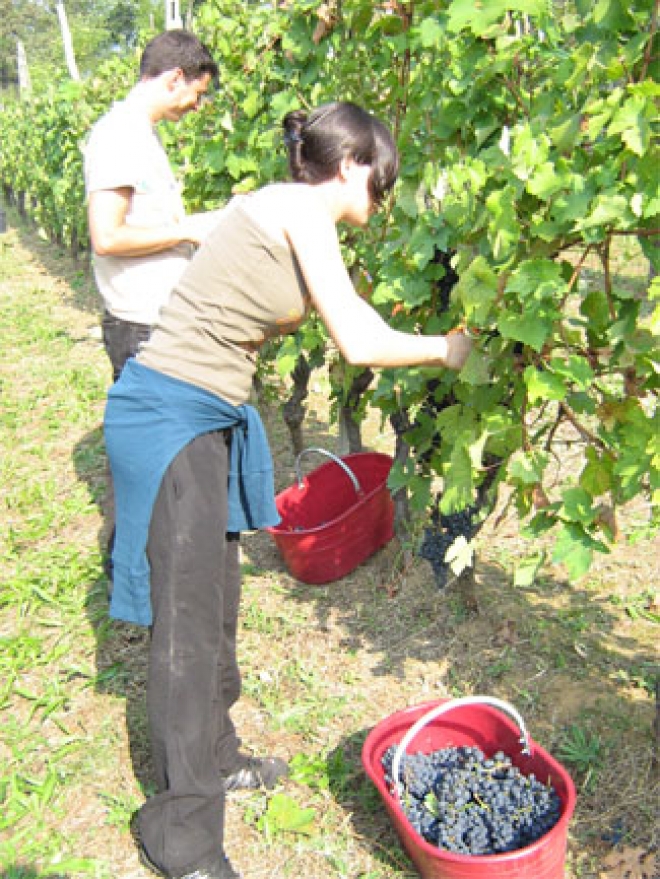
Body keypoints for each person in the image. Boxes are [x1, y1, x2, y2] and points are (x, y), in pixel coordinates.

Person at [104, 101, 473, 879]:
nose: (380, 204)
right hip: (170, 418)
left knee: (219, 607)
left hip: (200, 414)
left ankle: (219, 755)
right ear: (355, 166)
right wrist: (448, 349)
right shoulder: (304, 209)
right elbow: (359, 338)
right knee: (188, 631)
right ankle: (182, 836)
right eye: (382, 183)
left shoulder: (276, 203)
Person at [83, 29, 222, 382]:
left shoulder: (142, 134)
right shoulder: (119, 135)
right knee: (161, 435)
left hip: (154, 323)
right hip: (140, 329)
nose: (197, 104)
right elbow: (108, 237)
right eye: (198, 93)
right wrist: (187, 231)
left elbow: (144, 221)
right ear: (176, 78)